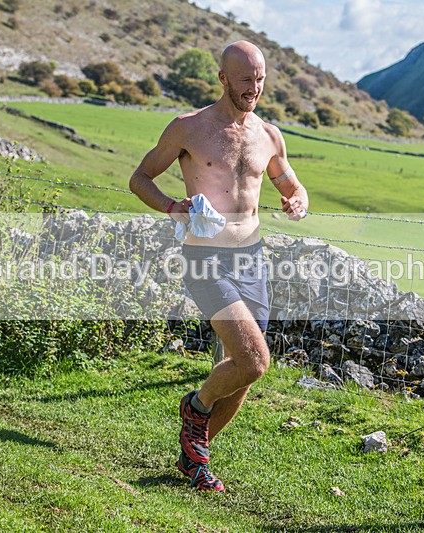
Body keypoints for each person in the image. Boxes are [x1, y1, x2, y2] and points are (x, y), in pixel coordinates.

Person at [129, 40, 309, 492]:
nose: (255, 87)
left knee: (244, 368)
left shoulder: (268, 135)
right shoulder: (188, 128)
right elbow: (139, 178)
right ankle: (196, 406)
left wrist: (297, 199)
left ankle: (194, 454)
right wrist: (173, 206)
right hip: (206, 257)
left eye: (261, 78)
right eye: (246, 79)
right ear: (223, 78)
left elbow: (287, 180)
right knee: (255, 360)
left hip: (252, 258)